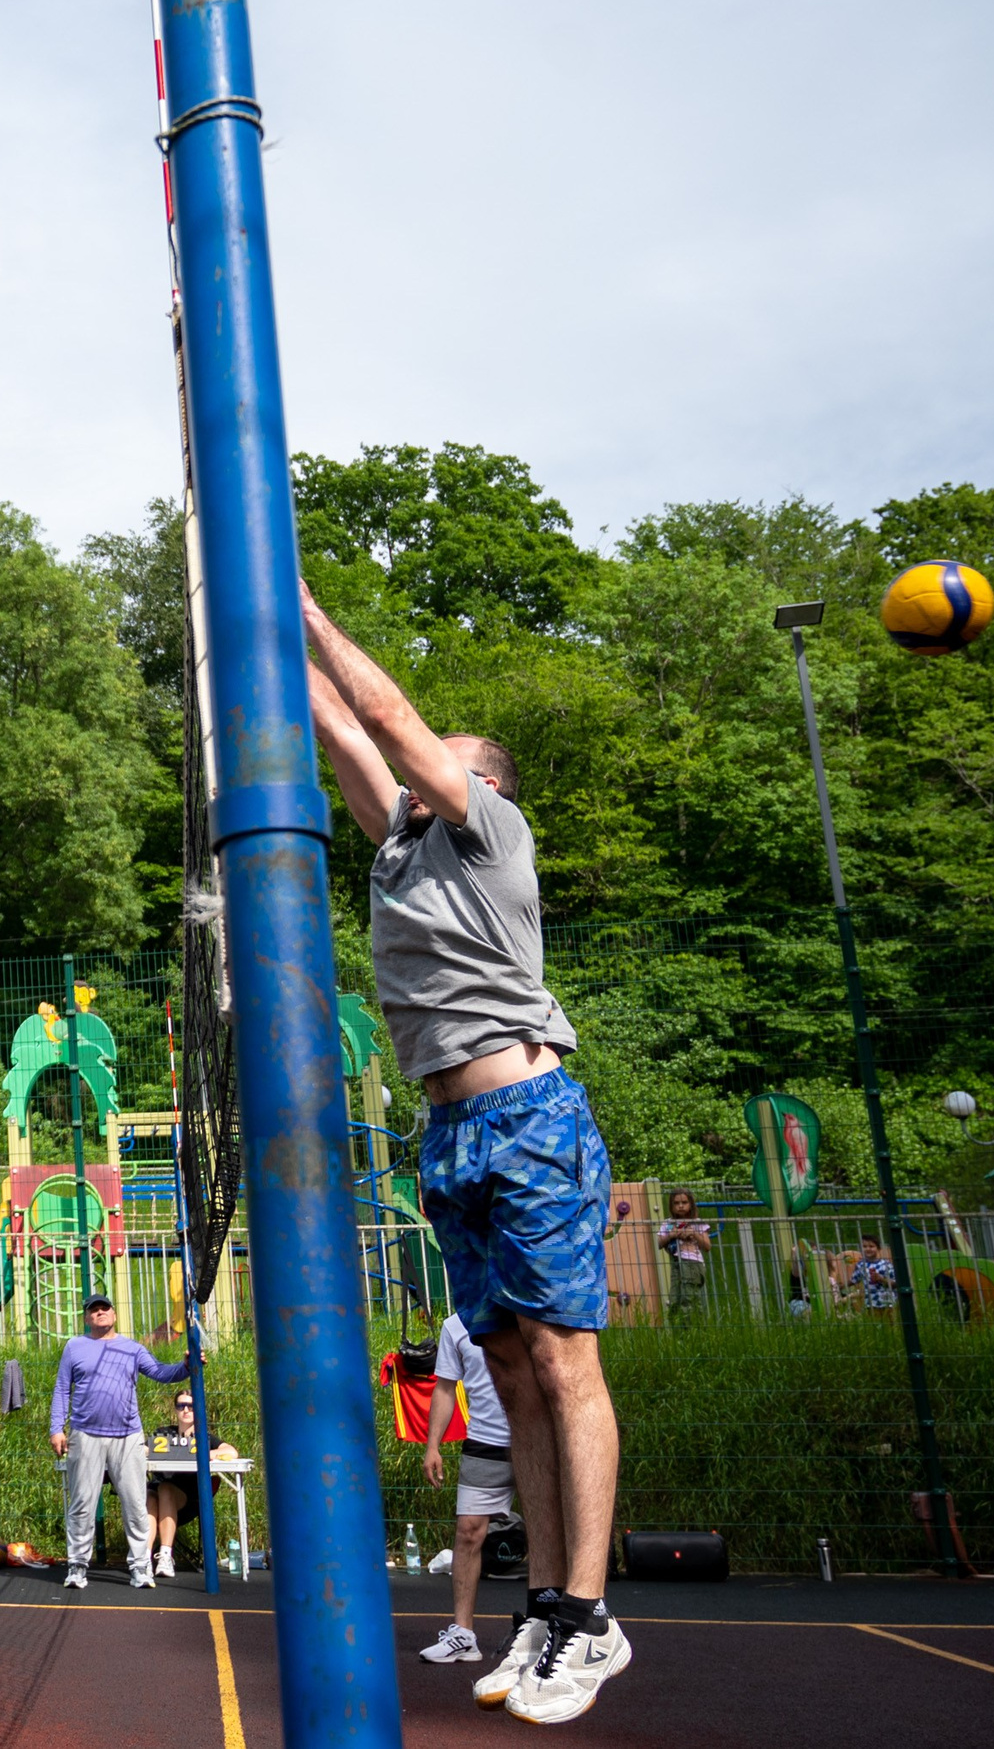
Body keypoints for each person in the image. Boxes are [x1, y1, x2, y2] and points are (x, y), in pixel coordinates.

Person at [302, 583, 630, 1725]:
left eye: (444, 762)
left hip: (529, 1116)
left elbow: (387, 721)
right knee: (507, 1372)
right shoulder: (400, 852)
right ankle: (542, 1606)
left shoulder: (491, 834)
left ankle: (590, 1616)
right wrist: (244, 608)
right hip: (449, 1133)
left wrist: (312, 612)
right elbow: (340, 728)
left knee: (564, 1361)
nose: (418, 771)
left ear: (482, 787)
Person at [50, 1294, 190, 1590]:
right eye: (94, 1310)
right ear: (86, 1318)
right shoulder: (74, 1347)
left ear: (114, 1314)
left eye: (105, 1308)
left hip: (127, 1437)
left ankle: (140, 1567)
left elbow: (161, 1372)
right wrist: (56, 1429)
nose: (100, 1313)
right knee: (82, 1504)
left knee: (136, 1504)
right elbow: (62, 1389)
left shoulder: (132, 1348)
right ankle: (77, 1566)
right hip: (84, 1434)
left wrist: (186, 1367)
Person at [416, 1311, 516, 1666]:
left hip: (535, 1439)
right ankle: (462, 1635)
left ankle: (553, 1624)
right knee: (468, 1532)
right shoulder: (455, 1325)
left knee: (548, 1532)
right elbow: (445, 1388)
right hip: (484, 1442)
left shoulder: (524, 1310)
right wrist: (432, 1446)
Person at [143, 1390, 234, 1581]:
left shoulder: (204, 1438)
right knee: (151, 1496)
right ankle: (144, 1558)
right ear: (175, 1409)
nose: (186, 1410)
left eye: (191, 1406)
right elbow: (142, 1449)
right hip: (156, 1493)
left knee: (165, 1489)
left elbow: (231, 1452)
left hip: (187, 1498)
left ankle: (165, 1556)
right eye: (181, 1406)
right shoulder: (163, 1434)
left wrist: (207, 1454)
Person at [655, 1190, 712, 1324]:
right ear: (671, 1206)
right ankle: (677, 1329)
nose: (680, 1206)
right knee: (675, 1299)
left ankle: (694, 1328)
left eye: (684, 1202)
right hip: (676, 1263)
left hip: (693, 1264)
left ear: (691, 1204)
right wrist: (671, 1235)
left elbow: (707, 1246)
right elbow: (658, 1243)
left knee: (689, 1298)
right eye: (676, 1203)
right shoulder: (668, 1223)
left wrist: (694, 1234)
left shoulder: (697, 1223)